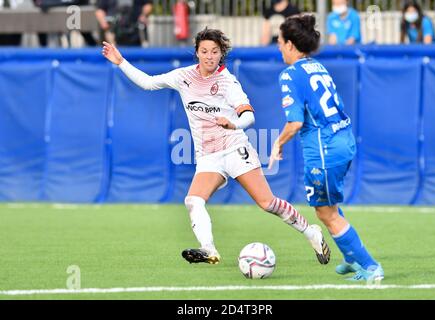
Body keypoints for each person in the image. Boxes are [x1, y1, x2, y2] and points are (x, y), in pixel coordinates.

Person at [102, 27, 331, 266]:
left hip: (234, 148)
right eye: (205, 51)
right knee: (193, 200)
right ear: (197, 53)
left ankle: (311, 232)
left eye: (215, 51)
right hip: (208, 157)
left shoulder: (227, 82)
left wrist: (234, 124)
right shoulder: (184, 77)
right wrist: (120, 62)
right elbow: (148, 83)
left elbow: (249, 116)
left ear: (221, 54)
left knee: (267, 203)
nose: (210, 56)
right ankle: (209, 249)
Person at [269, 14, 384, 282]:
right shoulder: (317, 66)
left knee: (325, 213)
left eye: (279, 41)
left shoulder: (290, 74)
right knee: (328, 206)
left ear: (290, 44)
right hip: (343, 140)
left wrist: (278, 142)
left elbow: (295, 122)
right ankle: (351, 257)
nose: (277, 46)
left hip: (324, 149)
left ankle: (370, 266)